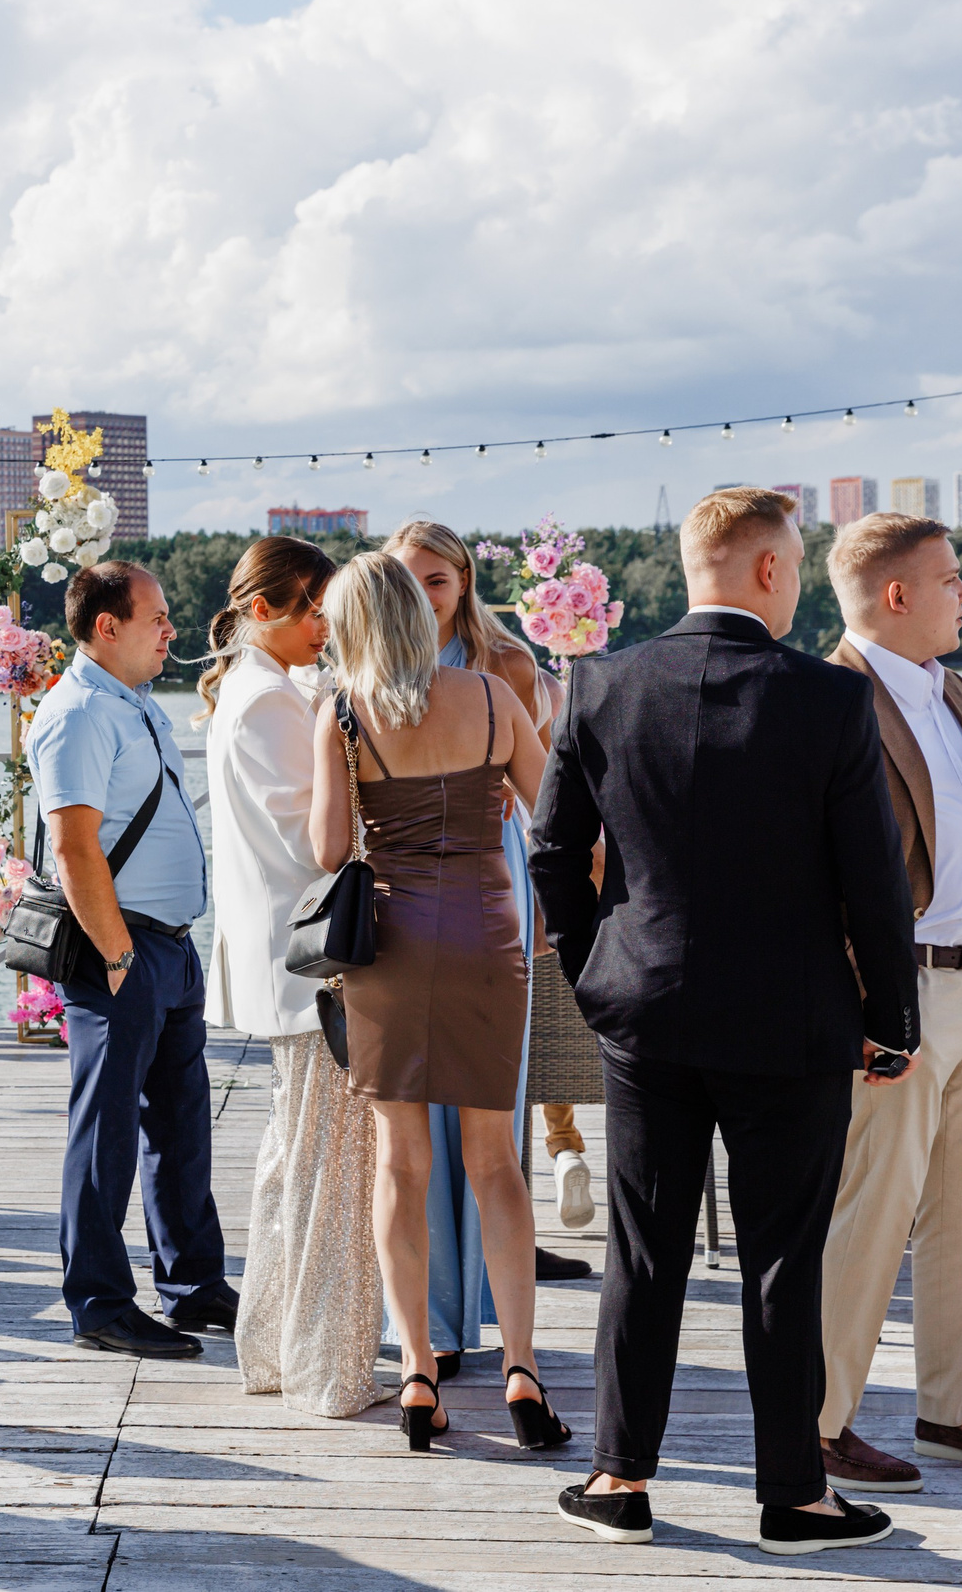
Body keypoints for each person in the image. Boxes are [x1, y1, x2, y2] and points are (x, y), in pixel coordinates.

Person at [531, 487, 921, 1553]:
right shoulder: (828, 703)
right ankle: (795, 1496)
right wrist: (892, 1021)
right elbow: (873, 889)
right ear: (761, 570)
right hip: (793, 1026)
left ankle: (618, 1478)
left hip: (643, 1015)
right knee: (783, 1258)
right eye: (791, 563)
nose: (794, 579)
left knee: (641, 1249)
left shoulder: (598, 684)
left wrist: (594, 973)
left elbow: (552, 856)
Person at [817, 513, 962, 1490]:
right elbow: (813, 869)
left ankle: (950, 1410)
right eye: (952, 580)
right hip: (899, 989)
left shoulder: (950, 688)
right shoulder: (829, 700)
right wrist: (866, 1005)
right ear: (896, 595)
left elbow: (950, 823)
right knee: (871, 1210)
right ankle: (816, 1423)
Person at [310, 553, 564, 1456]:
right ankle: (523, 1368)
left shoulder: (341, 711)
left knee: (401, 1164)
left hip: (393, 946)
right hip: (489, 938)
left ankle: (419, 1370)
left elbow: (329, 845)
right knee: (495, 1163)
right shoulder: (495, 698)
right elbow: (559, 820)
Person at [385, 519, 592, 1370]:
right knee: (411, 1134)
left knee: (486, 1113)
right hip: (404, 914)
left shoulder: (507, 669)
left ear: (465, 584)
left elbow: (553, 809)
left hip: (493, 887)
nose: (422, 595)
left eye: (437, 579)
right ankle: (433, 1321)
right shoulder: (369, 674)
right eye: (406, 579)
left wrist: (552, 912)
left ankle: (487, 1302)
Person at [28, 560, 234, 1359]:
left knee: (181, 1127)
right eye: (157, 617)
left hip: (168, 947)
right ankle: (101, 1303)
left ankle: (192, 1284)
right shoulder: (79, 712)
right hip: (123, 949)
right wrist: (116, 954)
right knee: (106, 1131)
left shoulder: (132, 705)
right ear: (106, 626)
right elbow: (76, 846)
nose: (171, 631)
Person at [202, 538, 384, 1418]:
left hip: (285, 961)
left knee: (295, 1160)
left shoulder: (262, 690)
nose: (327, 627)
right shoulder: (268, 703)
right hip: (312, 964)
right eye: (315, 609)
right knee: (330, 1168)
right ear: (265, 609)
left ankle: (278, 1349)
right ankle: (329, 1368)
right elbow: (317, 842)